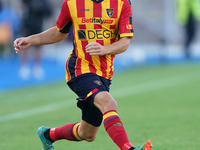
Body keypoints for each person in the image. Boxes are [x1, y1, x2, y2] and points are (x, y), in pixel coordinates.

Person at [14, 0, 153, 150]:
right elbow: (59, 32)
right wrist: (30, 40)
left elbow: (124, 42)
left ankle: (48, 135)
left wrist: (105, 49)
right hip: (79, 68)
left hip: (104, 73)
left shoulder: (122, 3)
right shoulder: (72, 3)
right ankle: (129, 148)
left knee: (87, 134)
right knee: (108, 103)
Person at [19, 0, 52, 79]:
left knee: (38, 47)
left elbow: (48, 13)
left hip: (38, 25)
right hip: (27, 24)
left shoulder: (44, 2)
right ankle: (24, 66)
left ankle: (37, 67)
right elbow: (22, 7)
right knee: (25, 45)